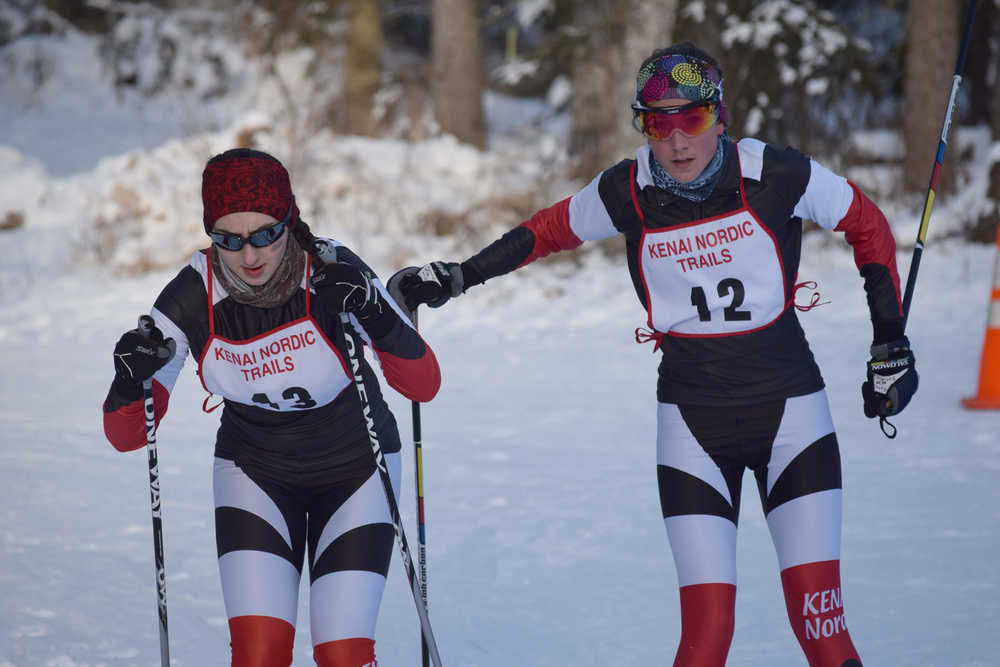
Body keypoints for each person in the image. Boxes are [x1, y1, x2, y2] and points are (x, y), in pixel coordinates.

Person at [393, 43, 917, 667]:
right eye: (656, 121)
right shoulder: (627, 189)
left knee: (819, 621)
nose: (674, 139)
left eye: (690, 118)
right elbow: (546, 231)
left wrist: (890, 340)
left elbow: (868, 226)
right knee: (705, 633)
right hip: (693, 426)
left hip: (791, 417)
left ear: (720, 117)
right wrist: (460, 275)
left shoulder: (776, 174)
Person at [102, 148, 441, 667]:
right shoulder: (192, 296)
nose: (250, 255)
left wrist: (374, 309)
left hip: (356, 469)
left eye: (265, 233)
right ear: (209, 233)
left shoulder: (330, 270)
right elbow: (127, 436)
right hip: (255, 472)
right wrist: (129, 383)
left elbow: (422, 383)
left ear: (290, 220)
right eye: (228, 239)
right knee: (259, 655)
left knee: (343, 654)